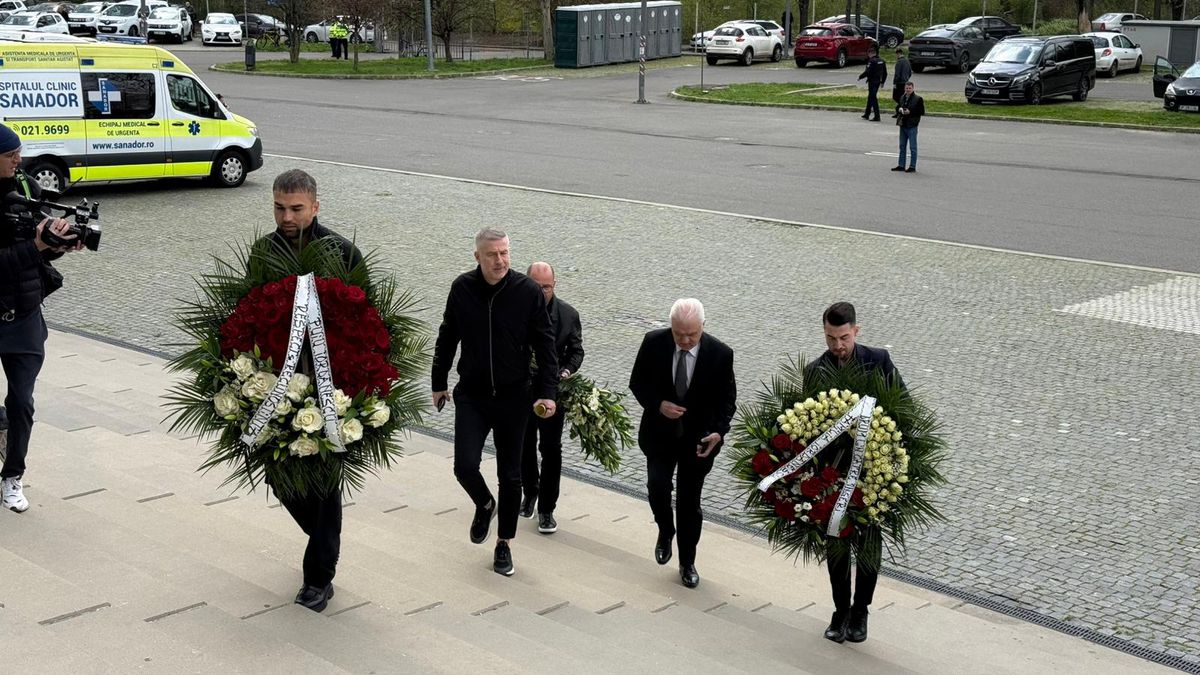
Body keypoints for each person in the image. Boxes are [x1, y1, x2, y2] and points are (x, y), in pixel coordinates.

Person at [254, 169, 362, 612]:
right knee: (280, 478)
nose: (287, 216)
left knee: (324, 483)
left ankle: (319, 576)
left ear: (316, 206)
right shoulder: (264, 251)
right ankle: (324, 536)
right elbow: (251, 307)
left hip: (328, 386)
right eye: (280, 207)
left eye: (296, 208)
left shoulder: (341, 251)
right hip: (275, 383)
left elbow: (364, 318)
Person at [432, 228, 558, 577]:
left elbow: (546, 345)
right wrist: (438, 382)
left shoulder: (527, 292)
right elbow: (447, 335)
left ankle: (504, 544)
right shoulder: (462, 288)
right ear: (478, 257)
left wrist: (548, 392)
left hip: (514, 396)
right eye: (492, 254)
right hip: (472, 395)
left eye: (505, 253)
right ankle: (485, 503)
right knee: (464, 466)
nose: (500, 260)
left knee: (511, 474)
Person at [806, 302, 906, 644]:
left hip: (874, 473)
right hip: (834, 475)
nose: (838, 346)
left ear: (856, 331)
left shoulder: (878, 361)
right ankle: (839, 609)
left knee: (867, 547)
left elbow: (902, 408)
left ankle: (860, 609)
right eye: (831, 338)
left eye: (844, 337)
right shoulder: (816, 370)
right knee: (835, 546)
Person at [0, 125, 82, 513]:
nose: (19, 160)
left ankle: (12, 476)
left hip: (25, 319)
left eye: (20, 152)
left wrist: (60, 243)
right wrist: (35, 246)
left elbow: (42, 249)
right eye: (11, 155)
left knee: (22, 403)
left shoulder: (29, 187)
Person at [629, 299, 736, 589]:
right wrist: (658, 404)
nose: (686, 341)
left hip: (698, 441)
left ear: (703, 327)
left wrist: (719, 432)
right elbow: (637, 383)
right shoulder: (653, 343)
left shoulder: (720, 354)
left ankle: (687, 561)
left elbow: (727, 402)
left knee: (690, 503)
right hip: (660, 434)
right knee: (657, 487)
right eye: (680, 335)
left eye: (692, 335)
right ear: (671, 328)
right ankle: (665, 529)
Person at [520, 261, 584, 535]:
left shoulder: (568, 315)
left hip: (552, 391)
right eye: (536, 286)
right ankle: (530, 492)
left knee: (551, 449)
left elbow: (576, 351)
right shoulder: (516, 310)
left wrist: (566, 370)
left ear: (554, 285)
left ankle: (547, 508)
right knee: (523, 444)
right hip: (522, 391)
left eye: (546, 287)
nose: (542, 291)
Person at [892, 81, 925, 174]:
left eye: (910, 88)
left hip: (912, 125)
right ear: (904, 88)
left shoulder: (918, 99)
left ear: (913, 88)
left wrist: (910, 112)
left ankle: (912, 166)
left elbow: (921, 111)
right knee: (902, 146)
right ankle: (901, 165)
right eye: (906, 88)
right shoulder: (902, 97)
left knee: (913, 147)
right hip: (903, 124)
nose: (908, 90)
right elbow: (898, 106)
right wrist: (899, 109)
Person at [858, 46, 887, 122]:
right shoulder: (882, 61)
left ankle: (877, 116)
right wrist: (882, 82)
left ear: (870, 53)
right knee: (870, 97)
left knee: (873, 98)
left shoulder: (871, 61)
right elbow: (885, 73)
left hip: (872, 82)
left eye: (868, 54)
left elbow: (868, 71)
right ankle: (867, 114)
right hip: (878, 82)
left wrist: (860, 76)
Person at [892, 47, 912, 115]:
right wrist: (906, 78)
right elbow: (910, 72)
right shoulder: (907, 61)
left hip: (899, 83)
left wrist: (895, 83)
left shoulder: (899, 62)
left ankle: (899, 109)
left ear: (898, 54)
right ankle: (900, 109)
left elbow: (897, 74)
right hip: (905, 82)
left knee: (896, 97)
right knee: (902, 96)